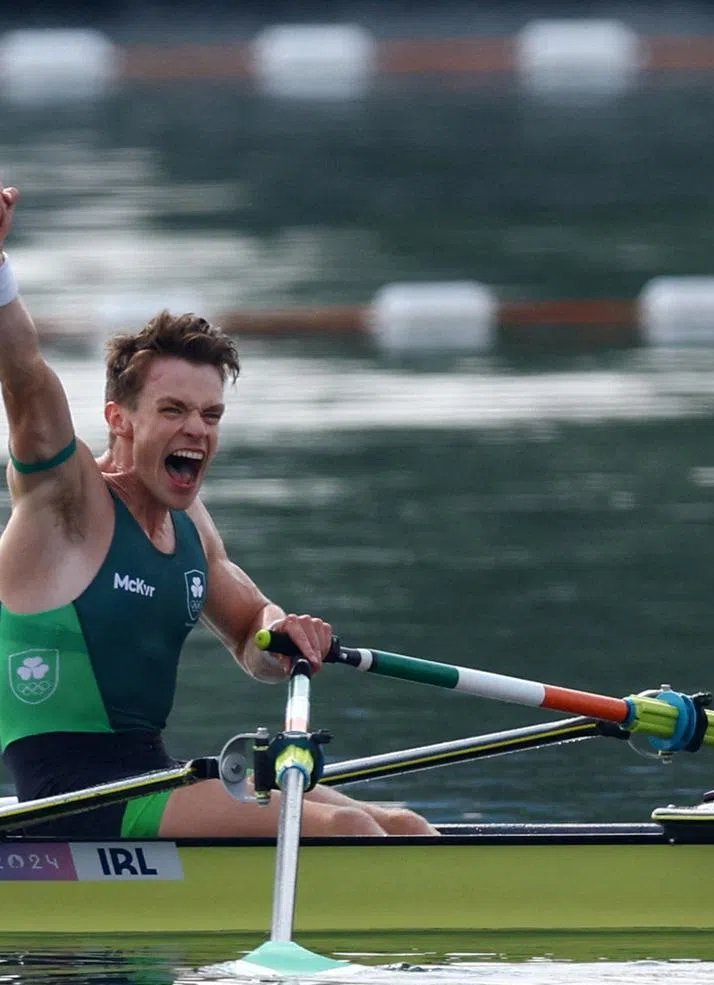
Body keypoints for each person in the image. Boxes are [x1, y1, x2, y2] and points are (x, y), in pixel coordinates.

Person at [0, 183, 436, 839]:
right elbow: (25, 374)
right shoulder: (68, 502)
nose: (197, 431)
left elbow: (248, 635)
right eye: (173, 411)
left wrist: (283, 635)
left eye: (210, 415)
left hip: (148, 776)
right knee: (353, 836)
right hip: (70, 800)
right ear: (119, 419)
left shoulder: (191, 523)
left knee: (399, 824)